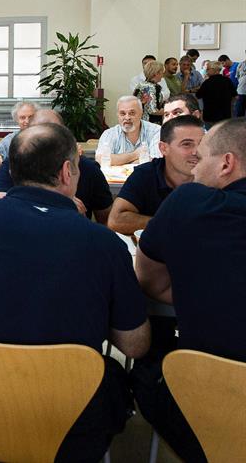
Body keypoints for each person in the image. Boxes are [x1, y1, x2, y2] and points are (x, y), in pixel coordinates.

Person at [0, 122, 150, 463]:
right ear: (68, 171)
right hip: (69, 423)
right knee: (114, 376)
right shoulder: (103, 244)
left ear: (12, 170)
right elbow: (134, 344)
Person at [134, 117, 246, 463]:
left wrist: (204, 295)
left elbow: (149, 280)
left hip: (210, 393)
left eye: (203, 157)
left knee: (146, 374)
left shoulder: (188, 203)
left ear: (226, 163)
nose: (195, 167)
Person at [0, 109, 113, 224]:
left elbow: (107, 219)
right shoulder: (14, 162)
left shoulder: (88, 168)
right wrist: (54, 203)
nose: (47, 138)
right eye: (39, 132)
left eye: (55, 132)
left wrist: (80, 222)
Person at [108, 115, 204, 235]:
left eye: (201, 144)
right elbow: (115, 221)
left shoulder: (214, 178)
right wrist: (172, 224)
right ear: (163, 148)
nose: (196, 152)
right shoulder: (146, 175)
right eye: (186, 144)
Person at [97, 96, 161, 166]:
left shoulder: (156, 131)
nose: (127, 118)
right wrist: (134, 155)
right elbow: (101, 159)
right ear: (118, 115)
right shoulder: (109, 133)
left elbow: (156, 161)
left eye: (132, 113)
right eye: (122, 113)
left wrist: (120, 161)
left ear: (141, 113)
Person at [0, 101, 38, 167]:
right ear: (16, 120)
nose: (27, 121)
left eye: (31, 117)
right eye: (22, 117)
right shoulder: (11, 138)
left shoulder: (47, 136)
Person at [196, 60, 237, 126]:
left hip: (210, 116)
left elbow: (198, 95)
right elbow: (235, 96)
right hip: (225, 115)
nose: (206, 71)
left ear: (214, 70)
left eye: (208, 69)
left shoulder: (207, 82)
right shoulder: (227, 80)